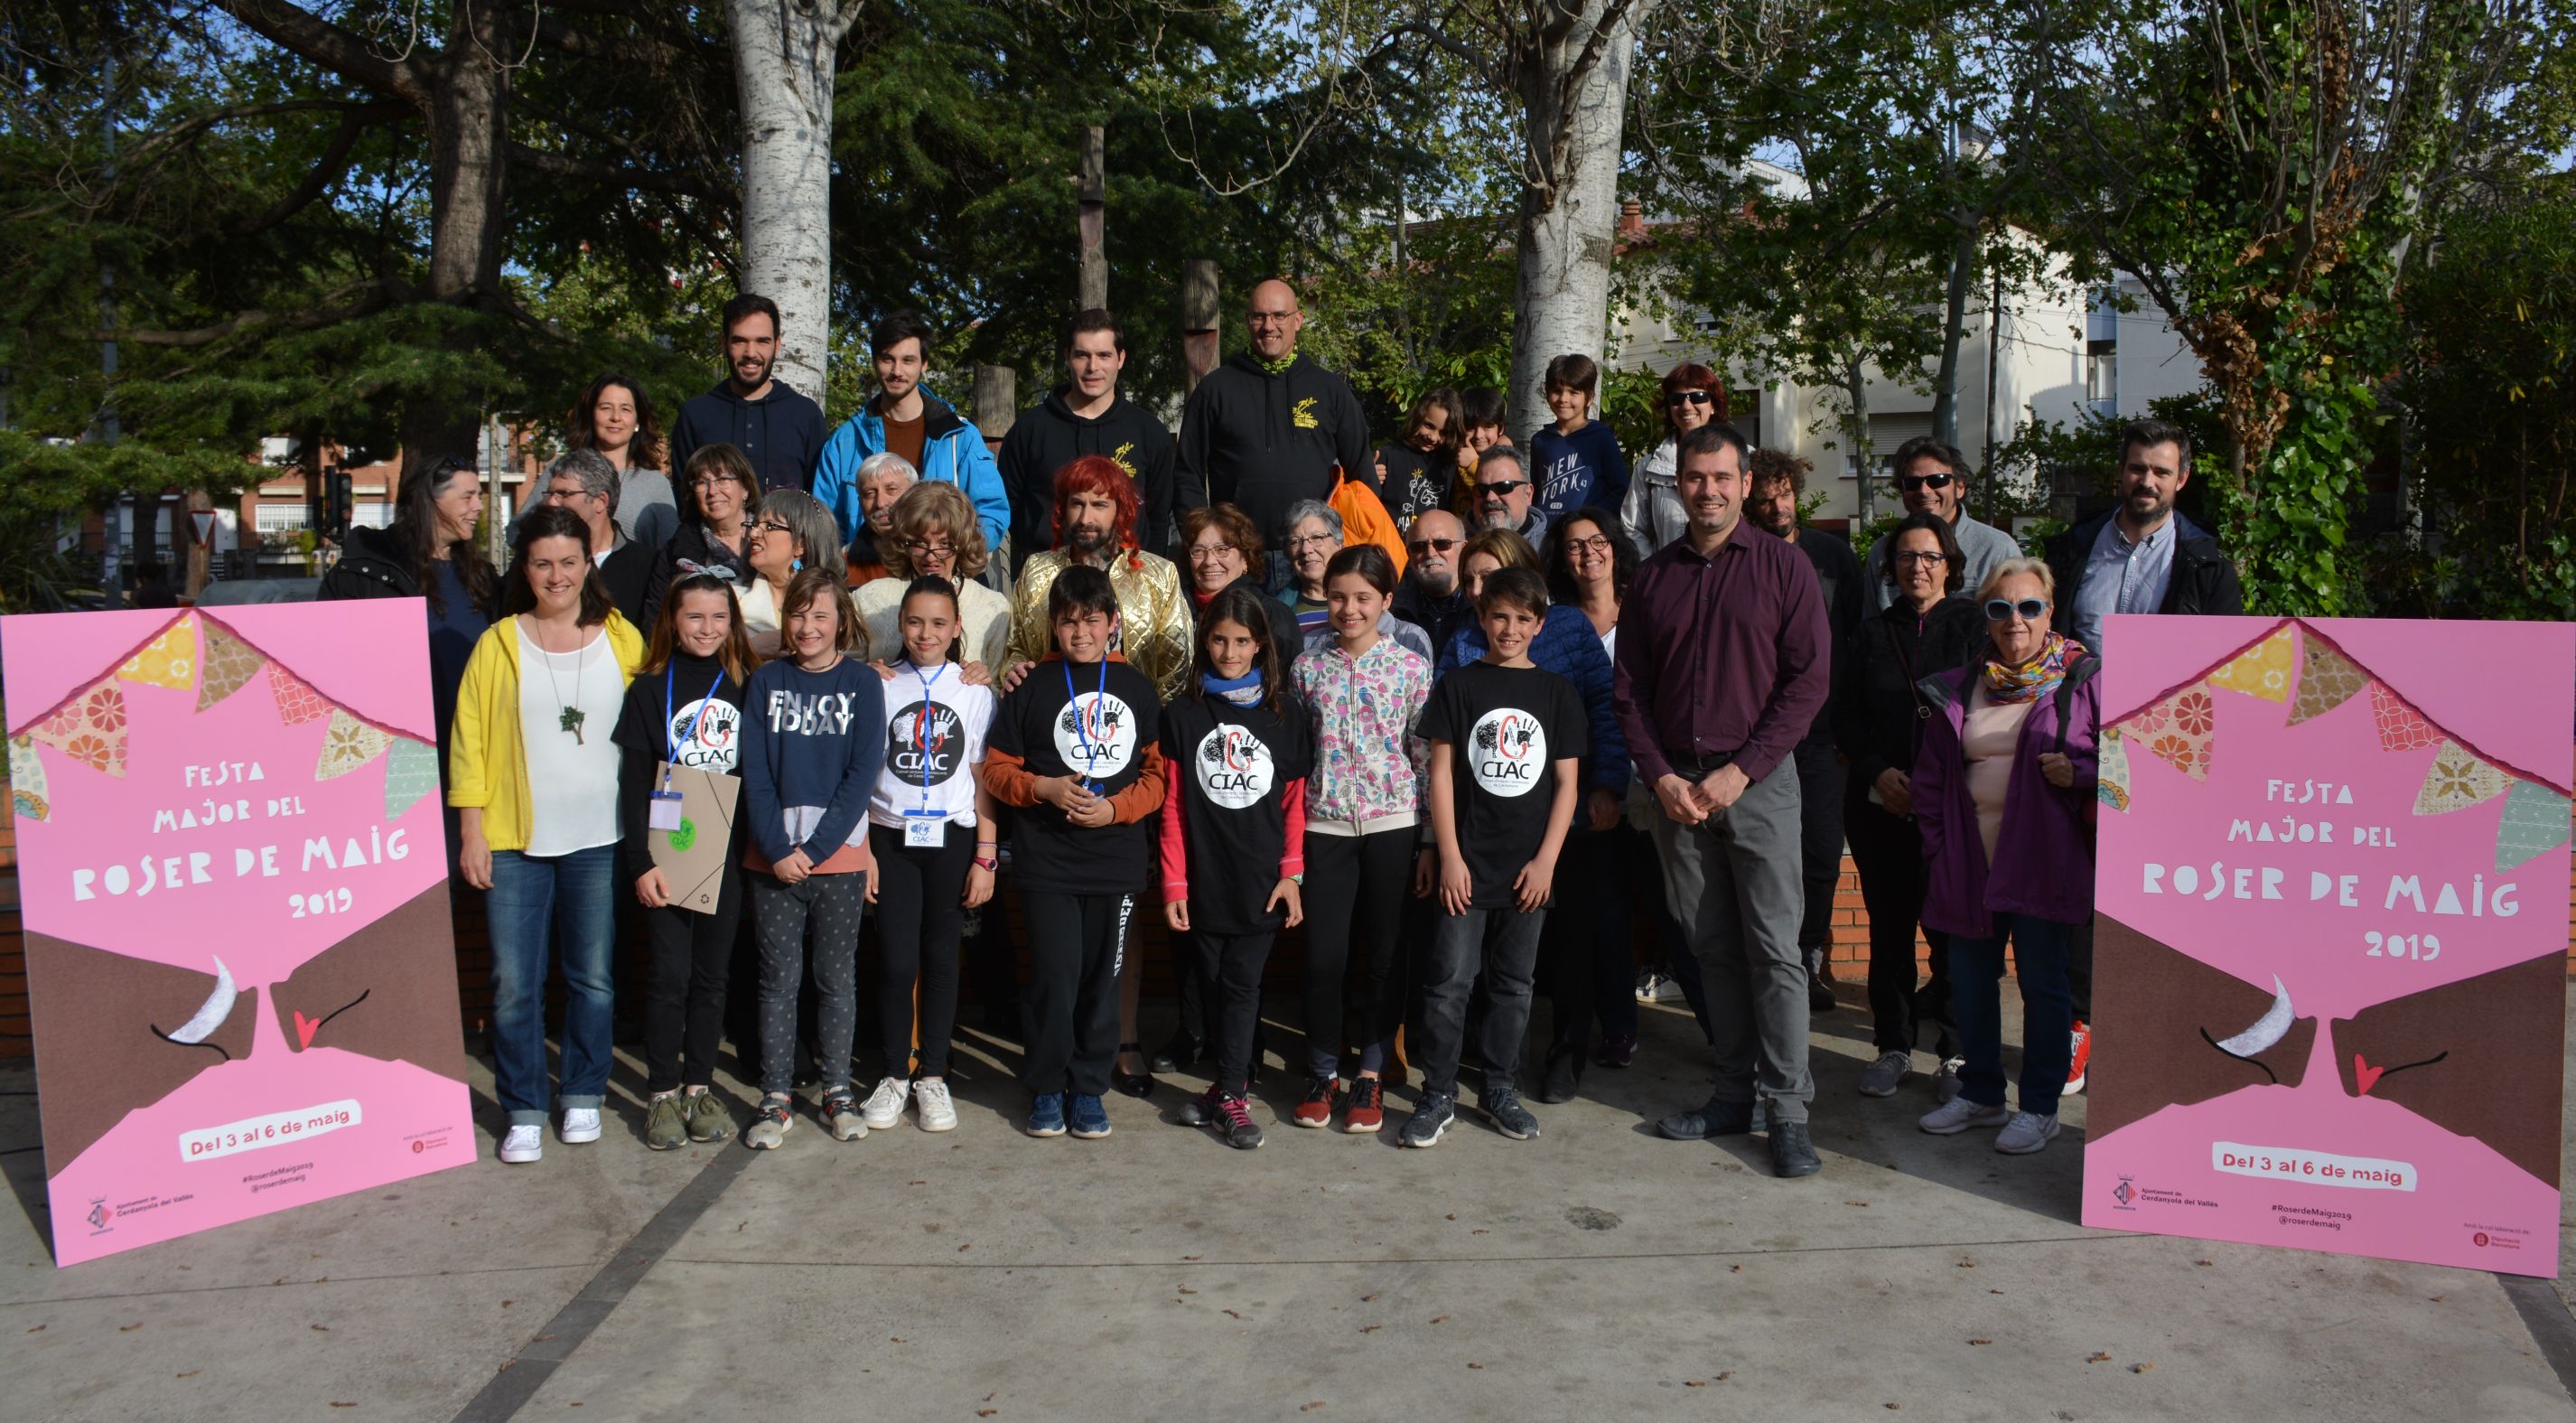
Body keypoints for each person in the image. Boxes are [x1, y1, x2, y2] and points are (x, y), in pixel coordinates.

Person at [1617, 423, 1831, 1179]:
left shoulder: (1785, 569)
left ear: (1745, 482)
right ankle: (1734, 1092)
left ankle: (1788, 1110)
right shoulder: (1654, 578)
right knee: (1713, 950)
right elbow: (1631, 692)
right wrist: (1661, 776)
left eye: (1720, 477)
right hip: (1679, 791)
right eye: (1694, 477)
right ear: (1678, 484)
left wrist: (1744, 770)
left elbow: (1807, 683)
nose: (1707, 489)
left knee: (1774, 951)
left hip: (1760, 786)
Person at [2040, 416, 2245, 1095]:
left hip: (2164, 758)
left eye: (2161, 470)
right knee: (2078, 895)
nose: (2147, 481)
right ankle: (2080, 1029)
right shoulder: (2073, 548)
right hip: (2075, 747)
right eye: (2136, 468)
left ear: (2181, 478)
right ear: (2120, 472)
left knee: (2155, 898)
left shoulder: (2207, 563)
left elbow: (2227, 674)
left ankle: (2146, 1040)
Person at [448, 504, 647, 1165]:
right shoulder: (498, 642)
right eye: (542, 563)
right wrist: (471, 829)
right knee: (514, 983)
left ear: (588, 563)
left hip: (600, 836)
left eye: (568, 561)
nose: (556, 575)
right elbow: (468, 743)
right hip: (513, 839)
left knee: (592, 977)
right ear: (524, 568)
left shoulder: (622, 637)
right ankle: (526, 1106)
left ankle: (583, 1093)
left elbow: (655, 727)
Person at [1910, 560, 2097, 1156]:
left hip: (2044, 861)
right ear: (1986, 617)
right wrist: (1939, 847)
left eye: (2029, 607)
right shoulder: (1963, 683)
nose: (2014, 620)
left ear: (2050, 611)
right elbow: (1931, 778)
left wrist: (2080, 772)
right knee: (1968, 980)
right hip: (1971, 863)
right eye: (2000, 608)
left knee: (2044, 986)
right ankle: (1983, 1092)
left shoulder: (2082, 682)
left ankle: (2040, 1107)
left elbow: (2128, 772)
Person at [979, 565, 1169, 1140]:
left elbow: (1158, 777)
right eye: (1067, 622)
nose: (1080, 632)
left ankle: (1089, 1088)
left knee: (1101, 980)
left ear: (1114, 623)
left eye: (1091, 620)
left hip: (1115, 863)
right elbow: (995, 770)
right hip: (1048, 863)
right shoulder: (1032, 685)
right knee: (1055, 978)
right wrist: (1043, 788)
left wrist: (1116, 809)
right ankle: (1046, 1085)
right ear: (1052, 626)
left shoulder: (1137, 688)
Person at [1407, 566, 1586, 1147]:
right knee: (1448, 982)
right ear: (1481, 618)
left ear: (1539, 624)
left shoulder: (1557, 694)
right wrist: (1450, 855)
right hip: (1469, 861)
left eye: (1522, 618)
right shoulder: (1458, 685)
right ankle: (1438, 1092)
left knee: (1514, 984)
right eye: (1499, 616)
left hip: (1527, 867)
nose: (1509, 628)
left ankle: (1499, 1087)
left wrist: (1547, 862)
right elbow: (1440, 776)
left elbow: (1567, 786)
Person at [1831, 512, 1984, 1100]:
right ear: (1891, 568)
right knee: (1889, 933)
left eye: (1929, 556)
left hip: (1953, 810)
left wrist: (1937, 781)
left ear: (1949, 563)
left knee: (1950, 935)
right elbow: (1845, 716)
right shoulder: (1871, 632)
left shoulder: (1972, 626)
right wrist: (1879, 772)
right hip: (1881, 805)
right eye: (1905, 557)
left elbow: (1989, 712)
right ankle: (1893, 1044)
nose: (1917, 567)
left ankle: (1954, 1051)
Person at [1160, 584, 1311, 1149]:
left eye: (1241, 641)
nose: (1229, 652)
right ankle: (1227, 1085)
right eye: (1219, 640)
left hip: (1261, 880)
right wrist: (1174, 882)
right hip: (1203, 878)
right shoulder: (1183, 714)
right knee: (1214, 984)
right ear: (1205, 643)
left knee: (1243, 983)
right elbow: (1173, 806)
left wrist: (1290, 875)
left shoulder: (1283, 713)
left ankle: (1229, 1095)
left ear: (1260, 645)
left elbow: (1297, 803)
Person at [738, 568, 886, 1149]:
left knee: (835, 978)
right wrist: (778, 849)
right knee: (777, 980)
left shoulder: (861, 684)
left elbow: (861, 774)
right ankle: (775, 1098)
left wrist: (816, 850)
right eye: (798, 614)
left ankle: (837, 1091)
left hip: (839, 860)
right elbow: (755, 771)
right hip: (772, 861)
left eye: (820, 615)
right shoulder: (766, 681)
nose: (808, 626)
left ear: (841, 622)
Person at [1290, 545, 1433, 1134]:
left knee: (1385, 954)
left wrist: (1427, 840)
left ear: (1386, 602)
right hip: (1324, 827)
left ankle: (1371, 1073)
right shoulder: (1307, 667)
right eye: (1339, 595)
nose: (1349, 608)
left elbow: (1422, 755)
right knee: (1325, 955)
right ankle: (1323, 1069)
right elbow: (1298, 754)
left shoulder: (1410, 667)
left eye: (1363, 598)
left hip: (1393, 824)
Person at [613, 572, 755, 1149]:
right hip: (669, 852)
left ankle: (700, 1087)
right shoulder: (649, 689)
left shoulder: (749, 685)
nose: (707, 628)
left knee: (712, 977)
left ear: (732, 623)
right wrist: (640, 861)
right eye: (695, 617)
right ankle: (662, 1094)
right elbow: (630, 784)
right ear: (674, 620)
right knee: (669, 977)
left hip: (726, 854)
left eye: (718, 617)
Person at [856, 576, 1001, 1136]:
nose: (925, 633)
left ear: (958, 627)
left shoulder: (974, 690)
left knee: (942, 960)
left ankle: (933, 1074)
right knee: (895, 960)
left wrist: (985, 856)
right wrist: (864, 850)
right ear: (900, 625)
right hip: (889, 837)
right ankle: (895, 1072)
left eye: (939, 623)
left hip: (951, 839)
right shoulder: (878, 685)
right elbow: (862, 773)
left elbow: (981, 776)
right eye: (915, 621)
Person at [1529, 509, 1645, 1095]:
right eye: (1573, 546)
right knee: (1592, 914)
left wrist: (1610, 783)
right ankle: (1579, 1032)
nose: (1586, 554)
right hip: (1578, 796)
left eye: (1596, 541)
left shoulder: (1646, 603)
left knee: (1627, 915)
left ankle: (1622, 1022)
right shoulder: (1553, 620)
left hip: (1641, 780)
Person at [1744, 448, 1863, 1014]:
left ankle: (1807, 957)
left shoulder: (1833, 557)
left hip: (1823, 736)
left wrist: (1846, 729)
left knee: (1819, 852)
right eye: (1764, 498)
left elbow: (1856, 642)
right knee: (1765, 854)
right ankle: (1766, 965)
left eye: (1783, 494)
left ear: (1798, 491)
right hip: (1758, 736)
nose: (1775, 506)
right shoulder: (1740, 559)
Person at [318, 454, 499, 802]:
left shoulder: (484, 580)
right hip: (397, 763)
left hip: (473, 760)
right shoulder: (362, 575)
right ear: (430, 500)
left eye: (479, 496)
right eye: (467, 496)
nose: (478, 507)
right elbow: (328, 666)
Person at [1177, 277, 1375, 579]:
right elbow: (1187, 473)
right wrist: (1203, 538)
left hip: (1312, 559)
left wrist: (1355, 550)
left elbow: (1363, 476)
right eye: (1259, 316)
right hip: (1237, 558)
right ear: (1247, 321)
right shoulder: (1215, 389)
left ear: (1298, 320)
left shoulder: (1329, 390)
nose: (1268, 326)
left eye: (1279, 316)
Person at [1001, 308, 1192, 570]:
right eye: (1082, 355)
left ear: (1120, 358)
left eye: (1104, 355)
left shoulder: (1149, 432)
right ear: (1067, 357)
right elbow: (1008, 507)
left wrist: (1144, 575)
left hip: (1127, 578)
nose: (1093, 367)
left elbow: (1158, 517)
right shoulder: (1030, 430)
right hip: (1049, 578)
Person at [812, 309, 1007, 554]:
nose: (897, 371)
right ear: (874, 361)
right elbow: (824, 525)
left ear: (923, 364)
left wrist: (953, 558)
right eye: (887, 359)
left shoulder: (959, 437)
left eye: (907, 360)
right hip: (864, 581)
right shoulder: (844, 443)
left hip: (941, 580)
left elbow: (991, 513)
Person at [1001, 455, 1192, 705]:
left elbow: (1177, 662)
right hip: (1051, 717)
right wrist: (1014, 669)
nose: (1085, 519)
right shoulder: (1037, 570)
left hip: (1132, 722)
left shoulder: (1157, 574)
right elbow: (1017, 647)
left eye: (1099, 505)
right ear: (1063, 508)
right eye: (1077, 504)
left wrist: (1153, 726)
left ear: (1120, 510)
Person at [669, 294, 827, 493]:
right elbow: (685, 500)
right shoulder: (695, 414)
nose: (751, 353)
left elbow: (818, 503)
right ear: (724, 344)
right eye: (740, 341)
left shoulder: (805, 414)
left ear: (777, 346)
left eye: (762, 341)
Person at [856, 481, 1014, 669]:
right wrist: (865, 676)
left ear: (962, 543)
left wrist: (985, 684)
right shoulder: (868, 600)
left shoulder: (994, 607)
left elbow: (1001, 687)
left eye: (945, 544)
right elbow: (841, 675)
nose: (931, 555)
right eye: (919, 543)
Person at [1860, 436, 2021, 613]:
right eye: (1912, 483)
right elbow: (1870, 624)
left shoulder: (1996, 549)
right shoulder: (1882, 551)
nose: (1924, 491)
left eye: (1937, 480)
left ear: (1960, 487)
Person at [1275, 500, 1435, 661]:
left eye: (1317, 538)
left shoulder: (1407, 637)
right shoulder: (1277, 614)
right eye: (1295, 542)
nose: (1306, 549)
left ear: (1339, 544)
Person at [645, 443, 761, 629]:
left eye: (723, 479)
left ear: (746, 488)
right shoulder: (678, 551)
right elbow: (656, 619)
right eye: (702, 483)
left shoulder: (774, 538)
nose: (713, 491)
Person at [538, 449, 657, 629]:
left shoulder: (649, 566)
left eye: (564, 494)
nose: (552, 503)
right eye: (550, 494)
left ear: (601, 501)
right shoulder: (534, 563)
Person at [1178, 502, 1302, 673]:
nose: (1209, 561)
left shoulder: (1271, 614)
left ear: (1245, 559)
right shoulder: (1174, 611)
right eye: (1199, 551)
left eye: (1222, 550)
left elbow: (1287, 680)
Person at [568, 372, 678, 549]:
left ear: (637, 421)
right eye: (605, 408)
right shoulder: (563, 474)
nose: (616, 417)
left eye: (625, 409)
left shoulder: (655, 484)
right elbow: (517, 533)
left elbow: (670, 551)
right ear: (591, 415)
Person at [1624, 363, 1724, 555]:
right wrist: (1654, 573)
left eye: (1698, 397)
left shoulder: (1743, 458)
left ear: (1713, 405)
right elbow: (1633, 529)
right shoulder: (1649, 467)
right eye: (1677, 399)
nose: (1687, 406)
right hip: (1670, 577)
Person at [738, 490, 846, 661]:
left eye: (770, 526)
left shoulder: (841, 604)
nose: (753, 533)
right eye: (755, 524)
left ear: (802, 544)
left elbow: (853, 661)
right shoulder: (731, 598)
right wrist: (749, 648)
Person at [1528, 353, 1629, 531]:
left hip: (1587, 534)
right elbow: (1536, 492)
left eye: (1573, 392)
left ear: (1589, 398)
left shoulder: (1601, 437)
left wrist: (1590, 519)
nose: (1563, 399)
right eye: (1557, 391)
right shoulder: (1540, 440)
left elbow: (1620, 490)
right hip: (1547, 536)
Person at [1376, 388, 1466, 527]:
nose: (1433, 437)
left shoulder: (1451, 464)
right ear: (1417, 416)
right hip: (1391, 546)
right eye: (1429, 425)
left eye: (1444, 432)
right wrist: (1368, 480)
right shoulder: (1388, 456)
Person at [1392, 510, 1473, 650]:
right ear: (1409, 554)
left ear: (1463, 548)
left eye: (1442, 543)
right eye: (1418, 547)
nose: (1430, 553)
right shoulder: (1392, 610)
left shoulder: (1482, 607)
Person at [838, 453, 918, 586]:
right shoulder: (843, 562)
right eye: (870, 494)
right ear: (860, 502)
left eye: (891, 490)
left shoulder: (938, 552)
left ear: (914, 494)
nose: (880, 503)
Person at [1468, 445, 1549, 545]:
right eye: (1481, 489)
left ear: (1528, 494)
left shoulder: (1551, 551)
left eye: (1503, 487)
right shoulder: (1455, 549)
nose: (1490, 497)